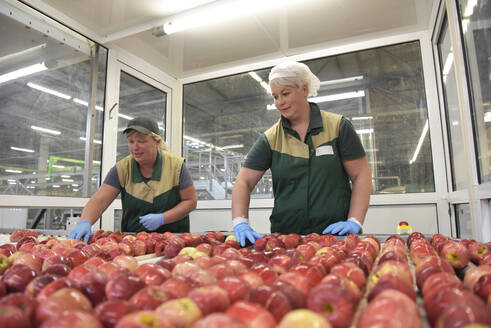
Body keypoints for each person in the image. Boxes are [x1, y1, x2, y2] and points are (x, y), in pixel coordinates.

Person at [232, 60, 371, 246]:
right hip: (286, 240)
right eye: (275, 97)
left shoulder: (338, 127)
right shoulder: (271, 138)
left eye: (285, 93)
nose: (279, 102)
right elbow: (243, 181)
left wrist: (354, 221)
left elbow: (361, 175)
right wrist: (240, 221)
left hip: (334, 238)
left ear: (304, 90)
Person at [68, 116, 197, 242]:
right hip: (134, 242)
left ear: (157, 142)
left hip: (173, 240)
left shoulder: (176, 166)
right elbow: (100, 199)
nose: (135, 147)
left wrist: (163, 218)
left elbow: (190, 201)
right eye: (131, 141)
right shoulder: (122, 168)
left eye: (141, 141)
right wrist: (85, 221)